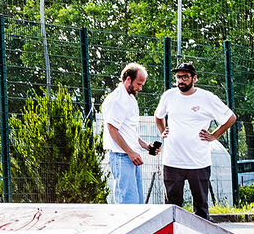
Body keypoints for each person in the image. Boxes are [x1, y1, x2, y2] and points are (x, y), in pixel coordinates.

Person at [154, 63, 236, 220]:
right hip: (172, 161)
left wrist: (214, 135)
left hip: (198, 162)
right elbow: (158, 116)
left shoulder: (207, 98)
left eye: (185, 77)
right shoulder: (168, 96)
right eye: (178, 77)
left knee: (201, 209)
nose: (181, 80)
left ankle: (201, 232)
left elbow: (230, 118)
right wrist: (162, 131)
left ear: (194, 78)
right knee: (172, 207)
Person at [101, 62, 152, 204]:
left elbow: (128, 131)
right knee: (128, 204)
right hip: (121, 156)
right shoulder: (117, 99)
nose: (140, 88)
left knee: (138, 203)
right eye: (139, 84)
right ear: (128, 79)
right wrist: (130, 153)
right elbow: (112, 129)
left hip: (131, 156)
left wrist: (145, 146)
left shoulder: (130, 98)